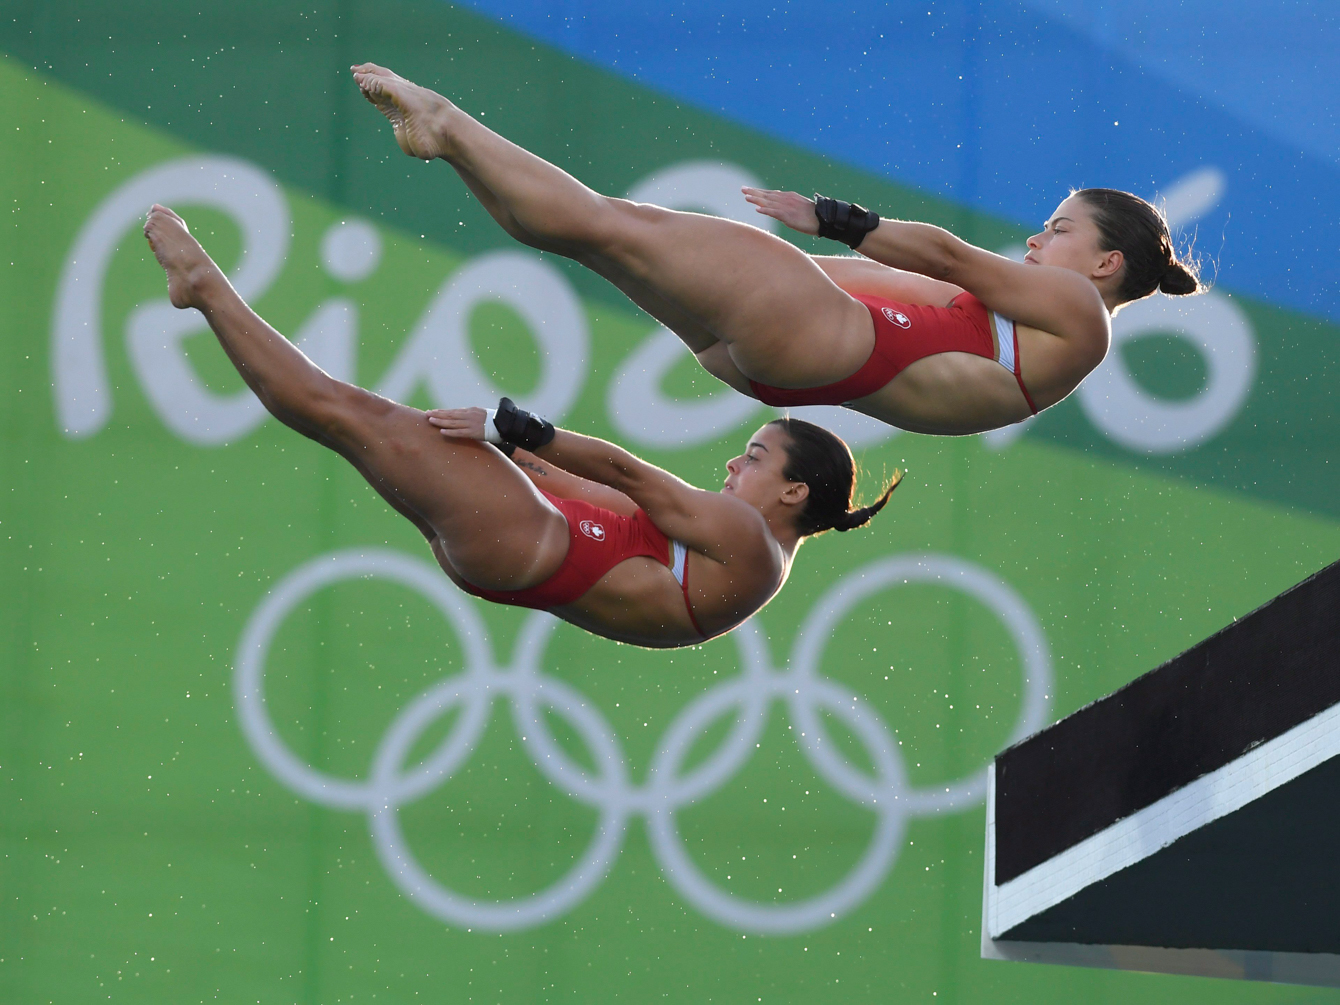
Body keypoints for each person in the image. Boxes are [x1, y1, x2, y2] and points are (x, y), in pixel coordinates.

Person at [141, 206, 898, 649]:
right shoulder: (728, 549)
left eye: (755, 456)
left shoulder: (752, 545)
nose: (736, 463)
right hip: (523, 541)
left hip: (529, 542)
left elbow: (628, 474)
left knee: (344, 413)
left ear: (795, 490)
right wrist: (522, 463)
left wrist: (513, 430)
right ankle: (206, 293)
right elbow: (609, 502)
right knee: (350, 420)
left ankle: (204, 289)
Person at [351, 62, 1204, 437]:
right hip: (776, 358)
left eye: (1058, 228)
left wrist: (829, 215)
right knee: (590, 233)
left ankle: (449, 122)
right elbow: (896, 286)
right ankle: (450, 143)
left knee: (605, 223)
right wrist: (775, 270)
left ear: (1106, 264)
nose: (1034, 236)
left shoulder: (1081, 318)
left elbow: (943, 257)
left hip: (824, 340)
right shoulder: (1034, 326)